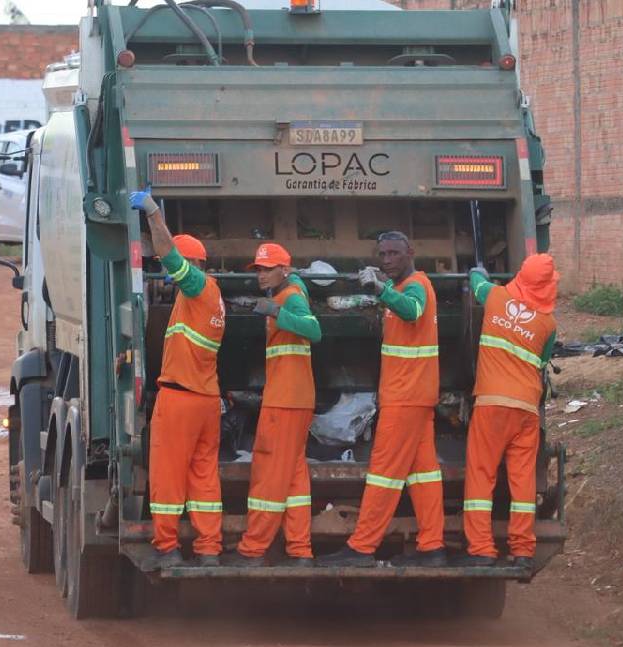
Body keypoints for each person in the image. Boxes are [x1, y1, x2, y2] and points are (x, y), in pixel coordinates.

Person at [318, 231, 446, 567]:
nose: (387, 259)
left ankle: (362, 547)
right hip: (416, 396)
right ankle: (432, 546)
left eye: (393, 253)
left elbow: (412, 310)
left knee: (384, 473)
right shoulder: (403, 287)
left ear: (411, 252)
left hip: (405, 398)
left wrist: (380, 289)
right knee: (423, 473)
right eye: (382, 254)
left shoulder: (415, 286)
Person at [130, 187, 226, 568]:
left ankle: (167, 547)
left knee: (168, 474)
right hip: (205, 400)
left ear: (191, 266)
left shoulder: (199, 288)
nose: (167, 273)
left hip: (181, 399)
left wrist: (154, 214)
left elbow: (170, 256)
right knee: (203, 478)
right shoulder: (211, 298)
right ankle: (208, 548)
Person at [460, 254, 559, 571]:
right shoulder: (549, 324)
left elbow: (476, 284)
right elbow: (542, 364)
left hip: (491, 405)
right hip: (526, 410)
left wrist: (478, 270)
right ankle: (522, 551)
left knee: (481, 475)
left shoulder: (496, 296)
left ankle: (482, 549)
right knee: (522, 482)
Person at [231, 243, 322, 566]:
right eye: (258, 269)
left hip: (285, 401)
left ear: (285, 269)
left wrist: (276, 313)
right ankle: (300, 550)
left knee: (269, 473)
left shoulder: (291, 297)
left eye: (267, 269)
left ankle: (253, 549)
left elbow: (314, 330)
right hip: (294, 399)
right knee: (295, 477)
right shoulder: (289, 292)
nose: (261, 275)